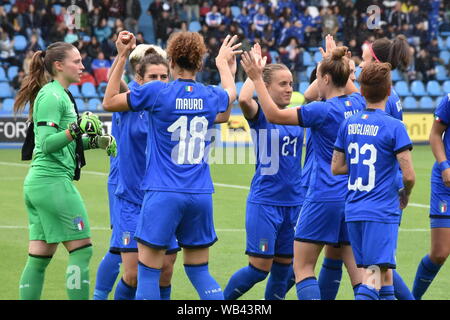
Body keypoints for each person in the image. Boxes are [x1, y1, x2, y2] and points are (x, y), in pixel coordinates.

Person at [102, 31, 241, 300]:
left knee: (148, 273)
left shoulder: (158, 92)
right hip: (200, 195)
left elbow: (109, 101)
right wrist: (225, 66)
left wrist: (121, 54)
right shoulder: (209, 95)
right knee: (200, 271)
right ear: (200, 63)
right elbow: (227, 104)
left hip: (163, 192)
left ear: (171, 61)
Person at [241, 46, 365, 300]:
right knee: (360, 271)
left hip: (323, 195)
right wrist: (332, 62)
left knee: (303, 267)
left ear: (326, 79)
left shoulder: (321, 110)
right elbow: (315, 91)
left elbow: (274, 114)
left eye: (319, 75)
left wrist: (255, 77)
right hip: (352, 198)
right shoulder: (359, 102)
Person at [305, 34, 415, 300]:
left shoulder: (360, 112)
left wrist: (334, 65)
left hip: (366, 199)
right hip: (382, 196)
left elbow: (338, 165)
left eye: (362, 63)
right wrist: (335, 66)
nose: (358, 68)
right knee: (378, 269)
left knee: (375, 270)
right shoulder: (391, 100)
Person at [14, 42, 116, 300]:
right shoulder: (52, 95)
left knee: (39, 258)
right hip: (52, 183)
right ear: (59, 65)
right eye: (77, 61)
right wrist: (76, 128)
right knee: (82, 250)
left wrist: (95, 141)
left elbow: (67, 144)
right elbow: (47, 144)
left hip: (41, 184)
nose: (83, 66)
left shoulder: (59, 94)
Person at [223, 43, 303, 300]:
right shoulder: (261, 115)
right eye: (282, 84)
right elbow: (244, 99)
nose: (289, 88)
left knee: (283, 270)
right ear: (267, 87)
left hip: (294, 204)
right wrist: (254, 73)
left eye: (290, 83)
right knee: (259, 269)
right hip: (266, 203)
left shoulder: (297, 116)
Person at [332, 62, 415, 300]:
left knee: (382, 277)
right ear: (389, 91)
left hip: (354, 210)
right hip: (380, 212)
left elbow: (336, 167)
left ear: (362, 91)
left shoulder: (348, 123)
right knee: (372, 279)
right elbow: (408, 175)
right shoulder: (395, 126)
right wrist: (405, 193)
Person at [93, 44, 169, 301]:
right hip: (127, 189)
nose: (159, 82)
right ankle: (99, 296)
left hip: (160, 195)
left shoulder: (169, 103)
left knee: (162, 270)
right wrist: (121, 54)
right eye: (152, 77)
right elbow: (116, 87)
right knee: (128, 263)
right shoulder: (131, 97)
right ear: (139, 77)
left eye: (163, 76)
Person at [412, 92, 450, 299]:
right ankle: (413, 297)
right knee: (440, 253)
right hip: (446, 183)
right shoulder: (449, 100)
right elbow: (435, 135)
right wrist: (444, 166)